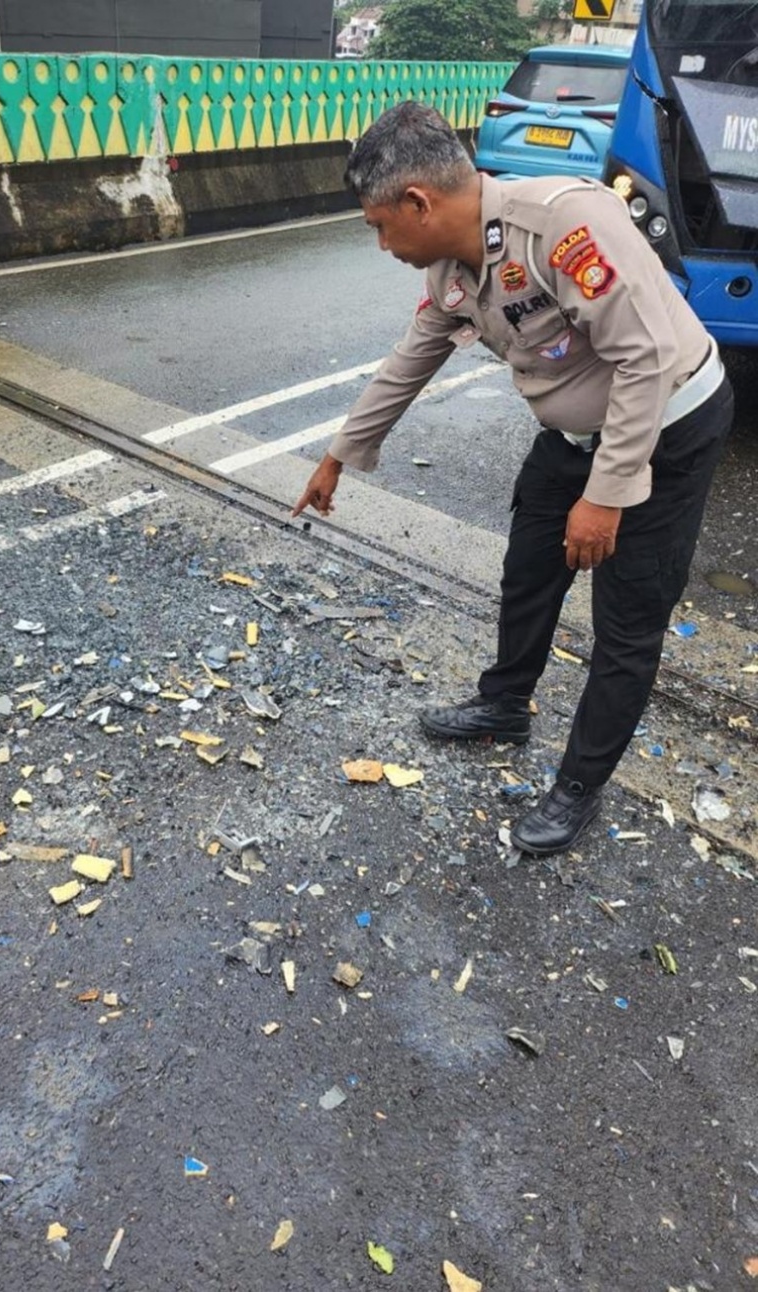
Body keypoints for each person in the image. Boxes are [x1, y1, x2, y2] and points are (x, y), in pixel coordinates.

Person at [292, 101, 733, 856]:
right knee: (529, 569)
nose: (380, 242)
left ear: (419, 203)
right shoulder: (451, 269)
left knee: (627, 622)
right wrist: (339, 454)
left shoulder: (563, 224)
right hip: (571, 433)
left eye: (378, 225)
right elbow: (409, 362)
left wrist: (605, 496)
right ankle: (504, 705)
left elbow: (646, 359)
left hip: (666, 429)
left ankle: (578, 787)